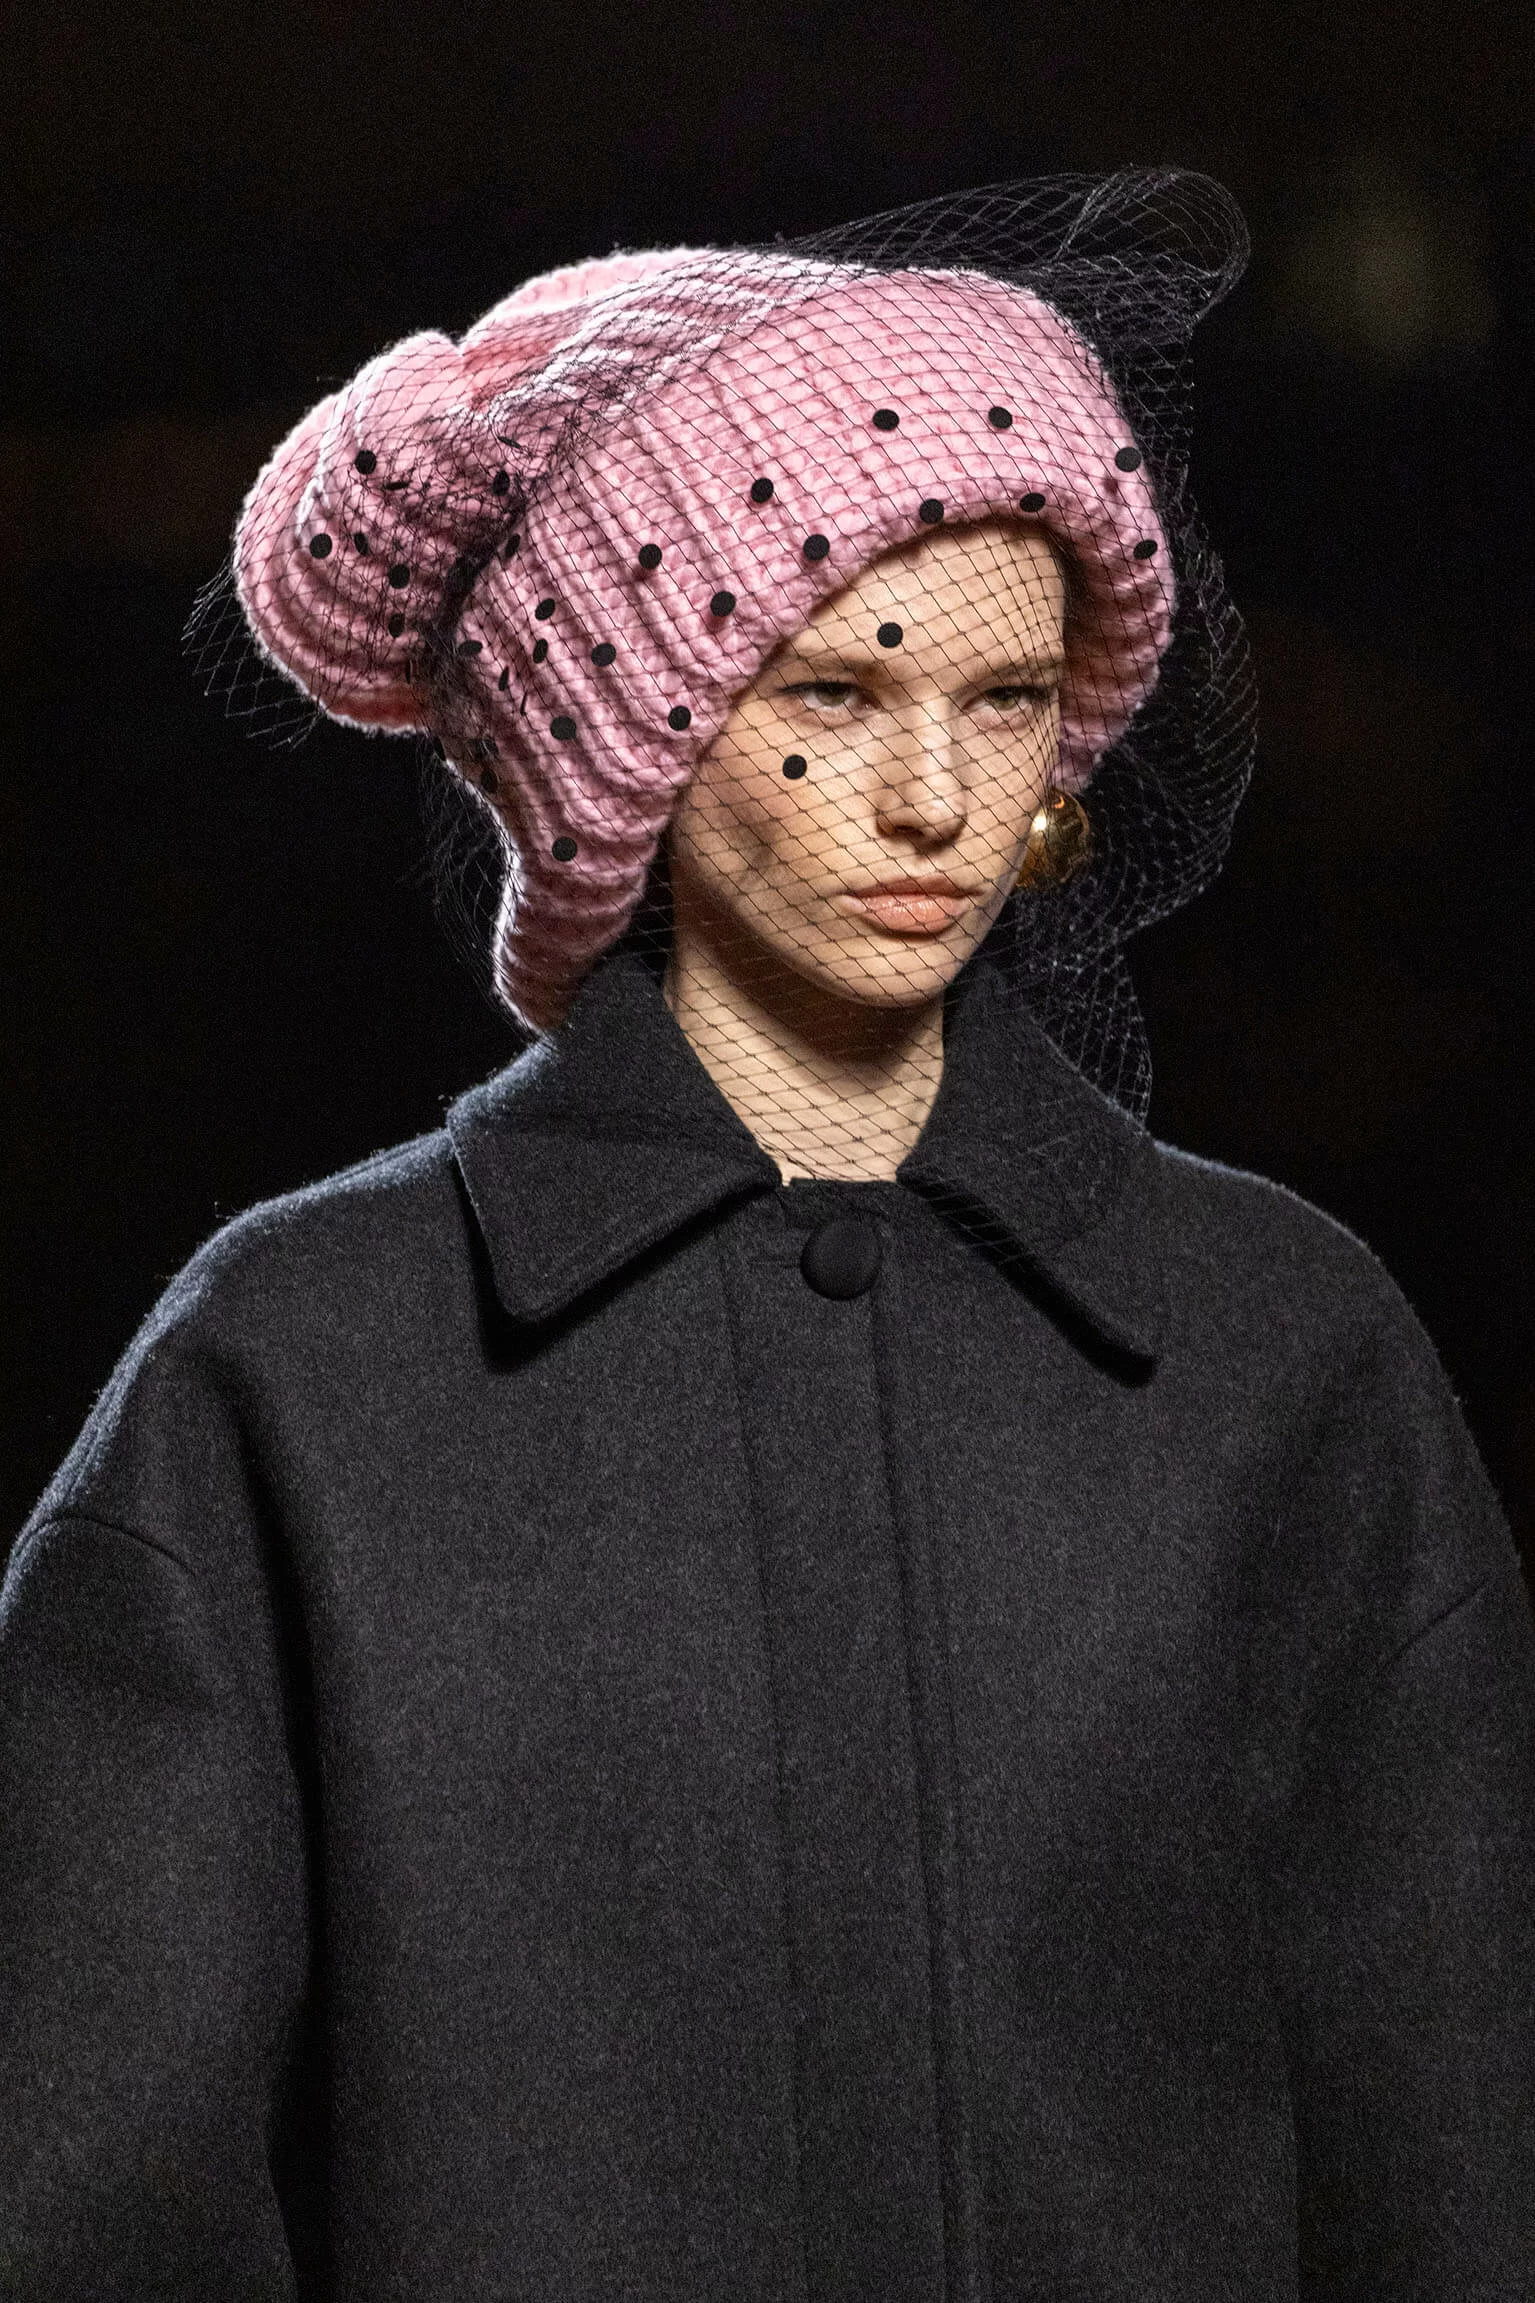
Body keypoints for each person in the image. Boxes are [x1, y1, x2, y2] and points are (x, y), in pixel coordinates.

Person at [3, 171, 1532, 2302]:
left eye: (1006, 699)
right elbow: (96, 2203)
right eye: (830, 691)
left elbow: (1447, 2151)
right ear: (616, 743)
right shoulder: (295, 1370)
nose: (933, 798)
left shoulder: (1280, 1346)